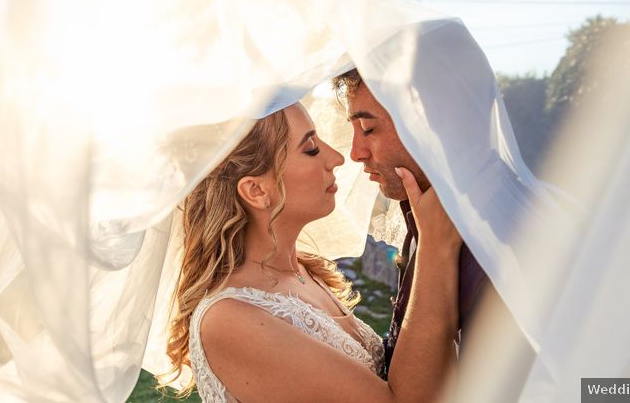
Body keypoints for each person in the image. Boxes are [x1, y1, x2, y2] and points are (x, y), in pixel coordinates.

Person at [162, 102, 463, 402]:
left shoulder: (303, 273)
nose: (336, 158)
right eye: (311, 149)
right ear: (257, 191)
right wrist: (435, 246)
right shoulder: (229, 319)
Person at [333, 56, 536, 396]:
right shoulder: (422, 219)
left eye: (368, 129)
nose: (356, 153)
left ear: (429, 126)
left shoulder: (498, 243)